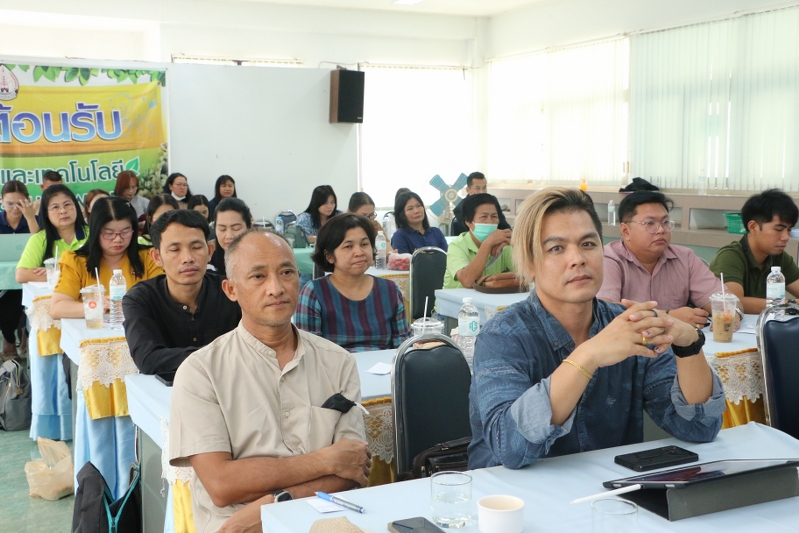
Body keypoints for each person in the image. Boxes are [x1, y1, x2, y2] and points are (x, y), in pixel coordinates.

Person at [468, 187, 724, 470]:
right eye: (556, 248)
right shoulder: (502, 336)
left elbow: (700, 427)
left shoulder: (629, 327)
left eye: (588, 244)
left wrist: (689, 345)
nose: (578, 258)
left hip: (608, 498)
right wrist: (588, 356)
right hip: (509, 504)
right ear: (530, 263)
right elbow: (510, 448)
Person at [169, 229, 371, 533]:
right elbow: (222, 485)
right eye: (258, 277)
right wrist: (325, 460)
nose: (276, 288)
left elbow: (351, 468)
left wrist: (272, 506)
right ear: (231, 289)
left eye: (286, 272)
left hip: (321, 520)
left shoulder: (337, 361)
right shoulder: (201, 371)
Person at [123, 210, 241, 375]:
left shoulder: (232, 290)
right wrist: (224, 356)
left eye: (196, 247)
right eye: (175, 249)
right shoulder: (140, 298)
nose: (187, 258)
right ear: (157, 257)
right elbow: (147, 359)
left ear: (210, 251)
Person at [598, 191, 727, 328]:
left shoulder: (685, 258)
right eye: (650, 223)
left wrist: (730, 312)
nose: (661, 230)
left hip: (680, 344)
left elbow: (723, 299)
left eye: (665, 222)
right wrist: (668, 316)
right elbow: (605, 312)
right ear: (625, 231)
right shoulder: (609, 259)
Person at [296, 214, 410, 352]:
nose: (359, 252)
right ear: (329, 256)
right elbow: (309, 352)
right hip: (334, 371)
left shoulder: (390, 290)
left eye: (364, 244)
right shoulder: (314, 292)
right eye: (348, 246)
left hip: (383, 370)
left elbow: (401, 347)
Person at [49, 197, 162, 319]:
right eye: (109, 233)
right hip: (92, 333)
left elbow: (162, 300)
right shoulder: (76, 261)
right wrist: (96, 306)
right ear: (95, 231)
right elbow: (57, 308)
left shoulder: (149, 257)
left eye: (125, 232)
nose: (118, 239)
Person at [710, 189, 799, 313]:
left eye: (789, 230)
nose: (786, 237)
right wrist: (791, 304)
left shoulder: (778, 257)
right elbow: (735, 302)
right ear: (753, 227)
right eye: (779, 229)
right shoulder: (730, 257)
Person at [16, 184, 89, 283]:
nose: (63, 211)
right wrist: (70, 275)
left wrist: (53, 273)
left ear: (76, 206)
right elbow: (21, 275)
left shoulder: (92, 233)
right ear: (46, 213)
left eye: (67, 205)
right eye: (55, 207)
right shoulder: (40, 239)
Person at [443, 193, 514, 289]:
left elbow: (531, 275)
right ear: (468, 222)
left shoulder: (503, 246)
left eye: (494, 216)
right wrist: (487, 244)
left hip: (489, 302)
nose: (490, 221)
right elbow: (467, 281)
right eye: (484, 217)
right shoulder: (456, 246)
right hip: (458, 303)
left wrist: (517, 244)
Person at [1, 180, 39, 358]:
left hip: (30, 275)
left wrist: (31, 217)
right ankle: (9, 340)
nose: (15, 208)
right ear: (1, 201)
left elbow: (39, 244)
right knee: (6, 306)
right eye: (10, 203)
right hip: (4, 280)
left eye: (20, 203)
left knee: (24, 304)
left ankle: (24, 335)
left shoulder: (34, 220)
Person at [209, 198, 252, 279]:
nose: (229, 236)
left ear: (249, 227)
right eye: (222, 229)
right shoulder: (209, 260)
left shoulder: (260, 257)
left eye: (236, 228)